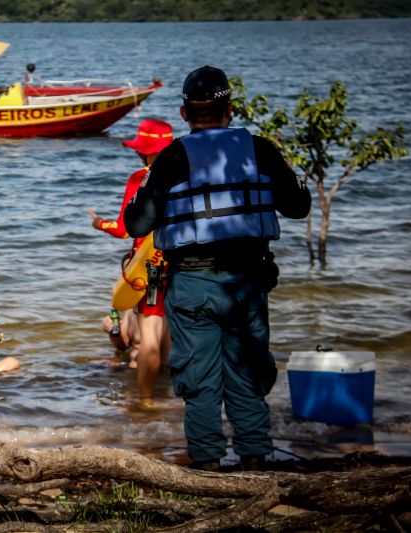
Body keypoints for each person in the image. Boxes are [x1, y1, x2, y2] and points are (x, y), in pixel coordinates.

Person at [124, 66, 311, 471]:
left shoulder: (173, 156)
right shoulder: (260, 149)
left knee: (199, 381)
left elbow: (136, 225)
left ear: (185, 113)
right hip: (247, 282)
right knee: (247, 375)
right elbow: (298, 207)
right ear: (230, 108)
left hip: (191, 283)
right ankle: (255, 462)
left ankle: (207, 465)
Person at [88, 119, 174, 405]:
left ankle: (147, 403)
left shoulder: (143, 177)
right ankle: (168, 397)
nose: (138, 154)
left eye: (140, 149)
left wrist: (100, 223)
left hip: (150, 264)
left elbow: (125, 227)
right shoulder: (190, 174)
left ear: (148, 150)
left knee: (149, 333)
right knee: (169, 333)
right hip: (184, 261)